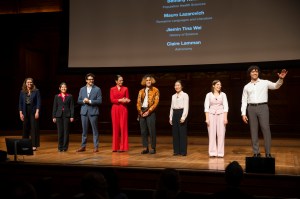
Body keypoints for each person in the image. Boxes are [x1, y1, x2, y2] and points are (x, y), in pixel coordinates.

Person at [241, 66, 288, 158]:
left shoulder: (264, 82)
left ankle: (268, 153)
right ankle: (256, 152)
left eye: (256, 71)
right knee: (253, 130)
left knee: (266, 129)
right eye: (253, 71)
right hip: (251, 108)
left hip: (263, 107)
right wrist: (243, 113)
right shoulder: (246, 86)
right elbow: (244, 100)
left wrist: (280, 79)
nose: (255, 73)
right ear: (249, 73)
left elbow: (275, 86)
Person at [76, 73, 102, 153]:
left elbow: (99, 101)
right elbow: (78, 100)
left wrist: (90, 101)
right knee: (84, 130)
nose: (91, 80)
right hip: (84, 112)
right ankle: (83, 146)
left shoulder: (97, 89)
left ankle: (96, 147)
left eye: (92, 79)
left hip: (93, 112)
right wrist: (83, 101)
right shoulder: (82, 89)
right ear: (86, 80)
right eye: (89, 79)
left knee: (95, 130)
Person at [204, 80, 228, 158]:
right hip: (211, 115)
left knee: (221, 134)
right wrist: (207, 119)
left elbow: (226, 107)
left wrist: (225, 118)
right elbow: (206, 107)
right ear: (213, 85)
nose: (219, 86)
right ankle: (212, 152)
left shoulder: (223, 95)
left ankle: (220, 153)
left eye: (220, 85)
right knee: (212, 134)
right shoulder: (209, 95)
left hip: (221, 114)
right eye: (217, 84)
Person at [137, 74, 160, 154]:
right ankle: (145, 147)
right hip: (142, 112)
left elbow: (156, 103)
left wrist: (148, 111)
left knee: (152, 130)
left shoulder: (155, 90)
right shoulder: (141, 91)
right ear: (144, 82)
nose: (148, 81)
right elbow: (138, 102)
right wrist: (140, 111)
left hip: (150, 111)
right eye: (147, 80)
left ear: (152, 81)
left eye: (149, 80)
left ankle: (153, 148)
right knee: (143, 131)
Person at [19, 77, 41, 151]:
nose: (29, 83)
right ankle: (24, 145)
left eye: (30, 82)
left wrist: (37, 112)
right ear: (25, 83)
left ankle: (34, 145)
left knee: (33, 128)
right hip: (25, 111)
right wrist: (20, 113)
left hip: (33, 111)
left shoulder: (36, 91)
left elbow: (38, 102)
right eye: (28, 82)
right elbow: (20, 103)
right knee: (25, 128)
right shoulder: (22, 92)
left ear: (32, 83)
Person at [110, 75, 130, 152]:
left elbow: (127, 98)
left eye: (122, 80)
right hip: (115, 109)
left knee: (123, 127)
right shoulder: (112, 89)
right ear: (116, 81)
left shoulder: (125, 88)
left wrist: (126, 100)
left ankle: (123, 147)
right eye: (120, 80)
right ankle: (115, 147)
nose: (122, 81)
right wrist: (120, 100)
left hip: (123, 109)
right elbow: (112, 100)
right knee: (115, 128)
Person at [52, 82, 75, 152]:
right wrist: (54, 116)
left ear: (66, 88)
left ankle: (65, 147)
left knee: (66, 132)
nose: (63, 88)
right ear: (60, 88)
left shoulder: (70, 96)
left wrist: (72, 116)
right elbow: (54, 107)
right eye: (62, 87)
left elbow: (72, 107)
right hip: (58, 115)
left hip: (67, 115)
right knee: (60, 132)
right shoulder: (57, 96)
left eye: (65, 87)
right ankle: (60, 147)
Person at [169, 80, 189, 156]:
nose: (176, 87)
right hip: (175, 113)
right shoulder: (173, 96)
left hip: (181, 113)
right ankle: (176, 151)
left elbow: (186, 107)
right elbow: (171, 107)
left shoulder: (185, 95)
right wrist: (170, 117)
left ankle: (183, 151)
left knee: (182, 133)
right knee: (175, 133)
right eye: (175, 85)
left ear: (181, 86)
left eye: (178, 85)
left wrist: (183, 117)